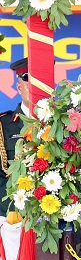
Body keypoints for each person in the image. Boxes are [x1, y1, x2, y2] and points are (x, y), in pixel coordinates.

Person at [0, 59, 29, 213]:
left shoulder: (63, 124)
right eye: (28, 79)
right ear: (19, 87)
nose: (34, 86)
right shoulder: (3, 125)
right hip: (12, 215)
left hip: (54, 214)